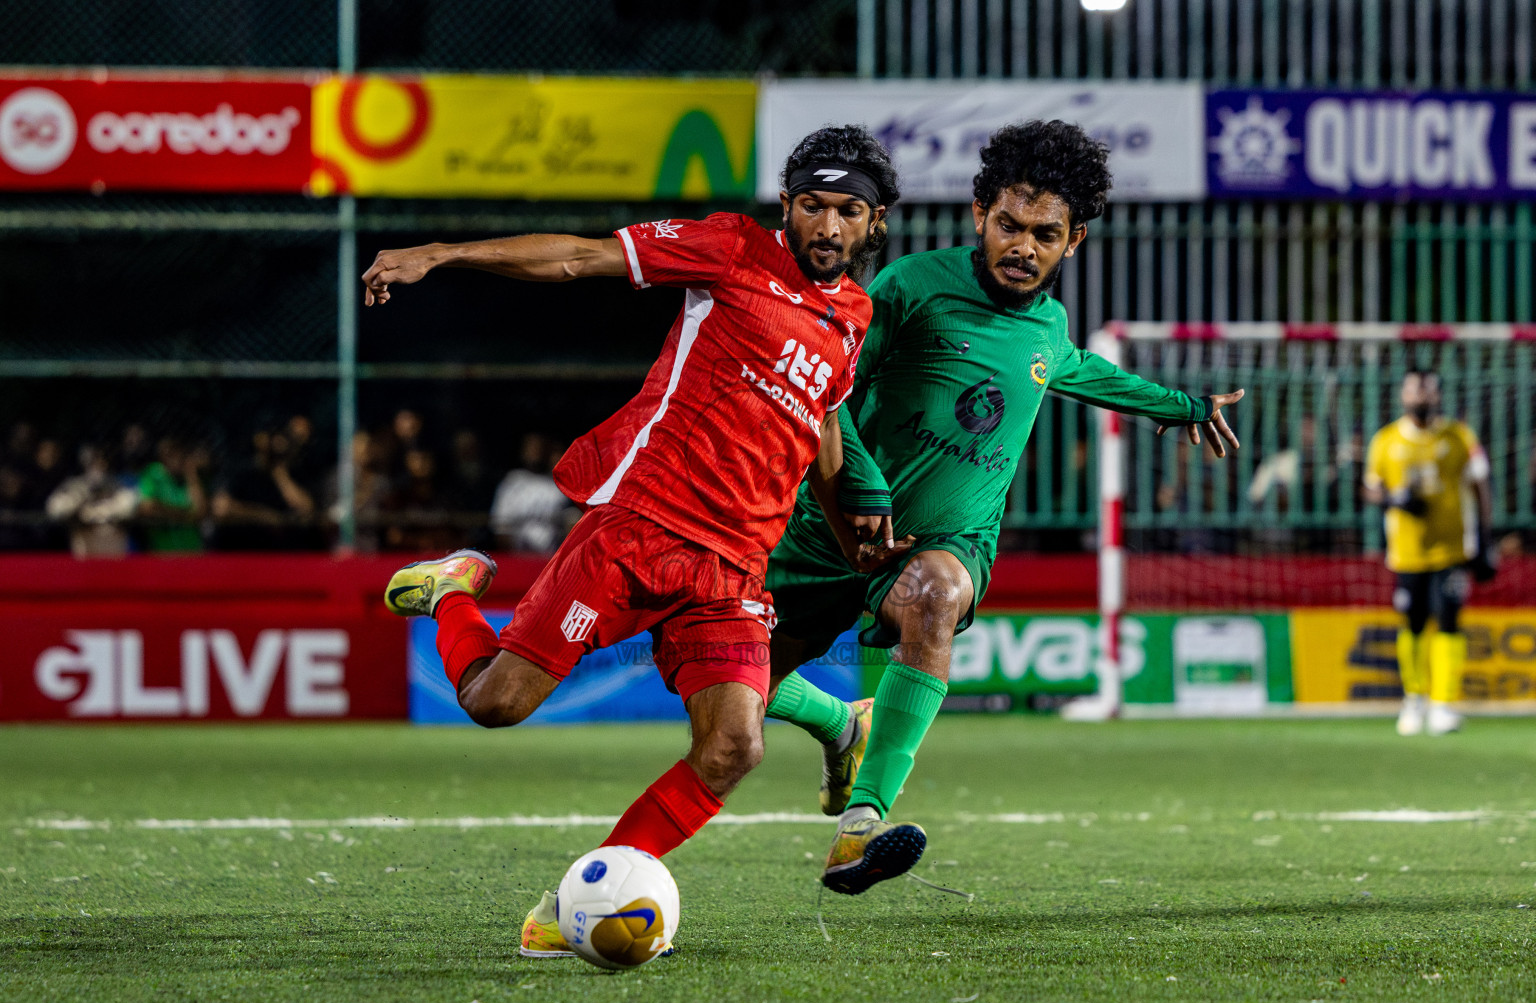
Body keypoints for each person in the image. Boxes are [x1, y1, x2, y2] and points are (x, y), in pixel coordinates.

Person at [363, 125, 899, 957]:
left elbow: (821, 434)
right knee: (493, 704)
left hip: (733, 567)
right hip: (640, 528)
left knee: (733, 747)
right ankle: (455, 592)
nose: (829, 227)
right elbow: (579, 258)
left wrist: (848, 538)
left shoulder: (853, 320)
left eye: (849, 211)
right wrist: (441, 252)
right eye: (813, 206)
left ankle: (585, 897)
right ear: (788, 208)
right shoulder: (729, 250)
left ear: (876, 224)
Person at [759, 120, 1246, 894]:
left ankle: (862, 824)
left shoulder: (1047, 325)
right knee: (723, 686)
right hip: (832, 529)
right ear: (979, 214)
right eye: (1010, 226)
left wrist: (1180, 405)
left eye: (1044, 234)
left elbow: (1079, 369)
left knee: (936, 595)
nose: (1023, 246)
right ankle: (839, 721)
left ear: (1073, 240)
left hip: (948, 538)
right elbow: (829, 382)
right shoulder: (912, 287)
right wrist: (859, 484)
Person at [1364, 370, 1495, 737]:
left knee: (1450, 620)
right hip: (1406, 549)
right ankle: (1414, 698)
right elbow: (1371, 488)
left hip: (1452, 548)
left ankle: (1443, 704)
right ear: (1403, 395)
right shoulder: (1386, 440)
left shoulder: (1459, 436)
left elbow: (1481, 483)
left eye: (1426, 389)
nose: (1420, 396)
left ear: (1437, 395)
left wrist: (1486, 537)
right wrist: (1393, 499)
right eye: (1413, 389)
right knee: (1414, 622)